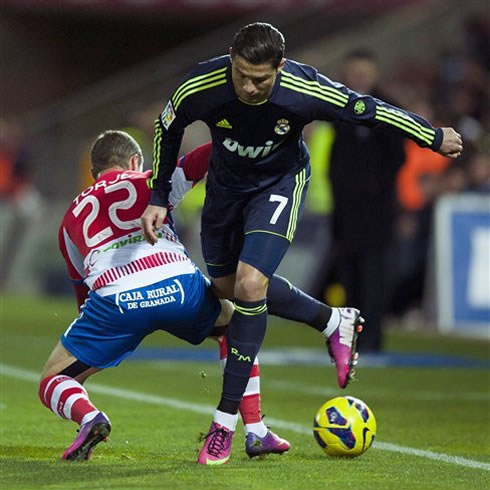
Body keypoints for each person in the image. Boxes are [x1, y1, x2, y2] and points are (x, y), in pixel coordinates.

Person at [141, 22, 463, 465]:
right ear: (231, 61)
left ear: (281, 67)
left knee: (251, 285)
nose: (249, 87)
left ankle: (224, 424)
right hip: (225, 192)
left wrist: (431, 135)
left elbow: (366, 108)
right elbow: (167, 126)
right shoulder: (203, 83)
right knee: (228, 289)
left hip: (279, 184)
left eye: (261, 78)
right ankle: (333, 321)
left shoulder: (304, 87)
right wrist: (159, 196)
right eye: (241, 75)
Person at [39, 130, 290, 461]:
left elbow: (82, 294)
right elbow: (202, 159)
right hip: (177, 285)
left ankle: (89, 417)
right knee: (236, 325)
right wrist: (243, 141)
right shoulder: (148, 180)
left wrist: (104, 338)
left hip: (117, 303)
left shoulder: (71, 217)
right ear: (134, 161)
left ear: (94, 169)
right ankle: (255, 428)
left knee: (52, 380)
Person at [327, 49, 406, 353]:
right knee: (348, 277)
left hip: (376, 211)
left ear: (373, 73)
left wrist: (374, 188)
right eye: (354, 72)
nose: (359, 77)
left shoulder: (388, 109)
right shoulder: (338, 108)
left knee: (374, 277)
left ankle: (372, 341)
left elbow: (397, 158)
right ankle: (348, 340)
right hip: (345, 211)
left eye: (364, 72)